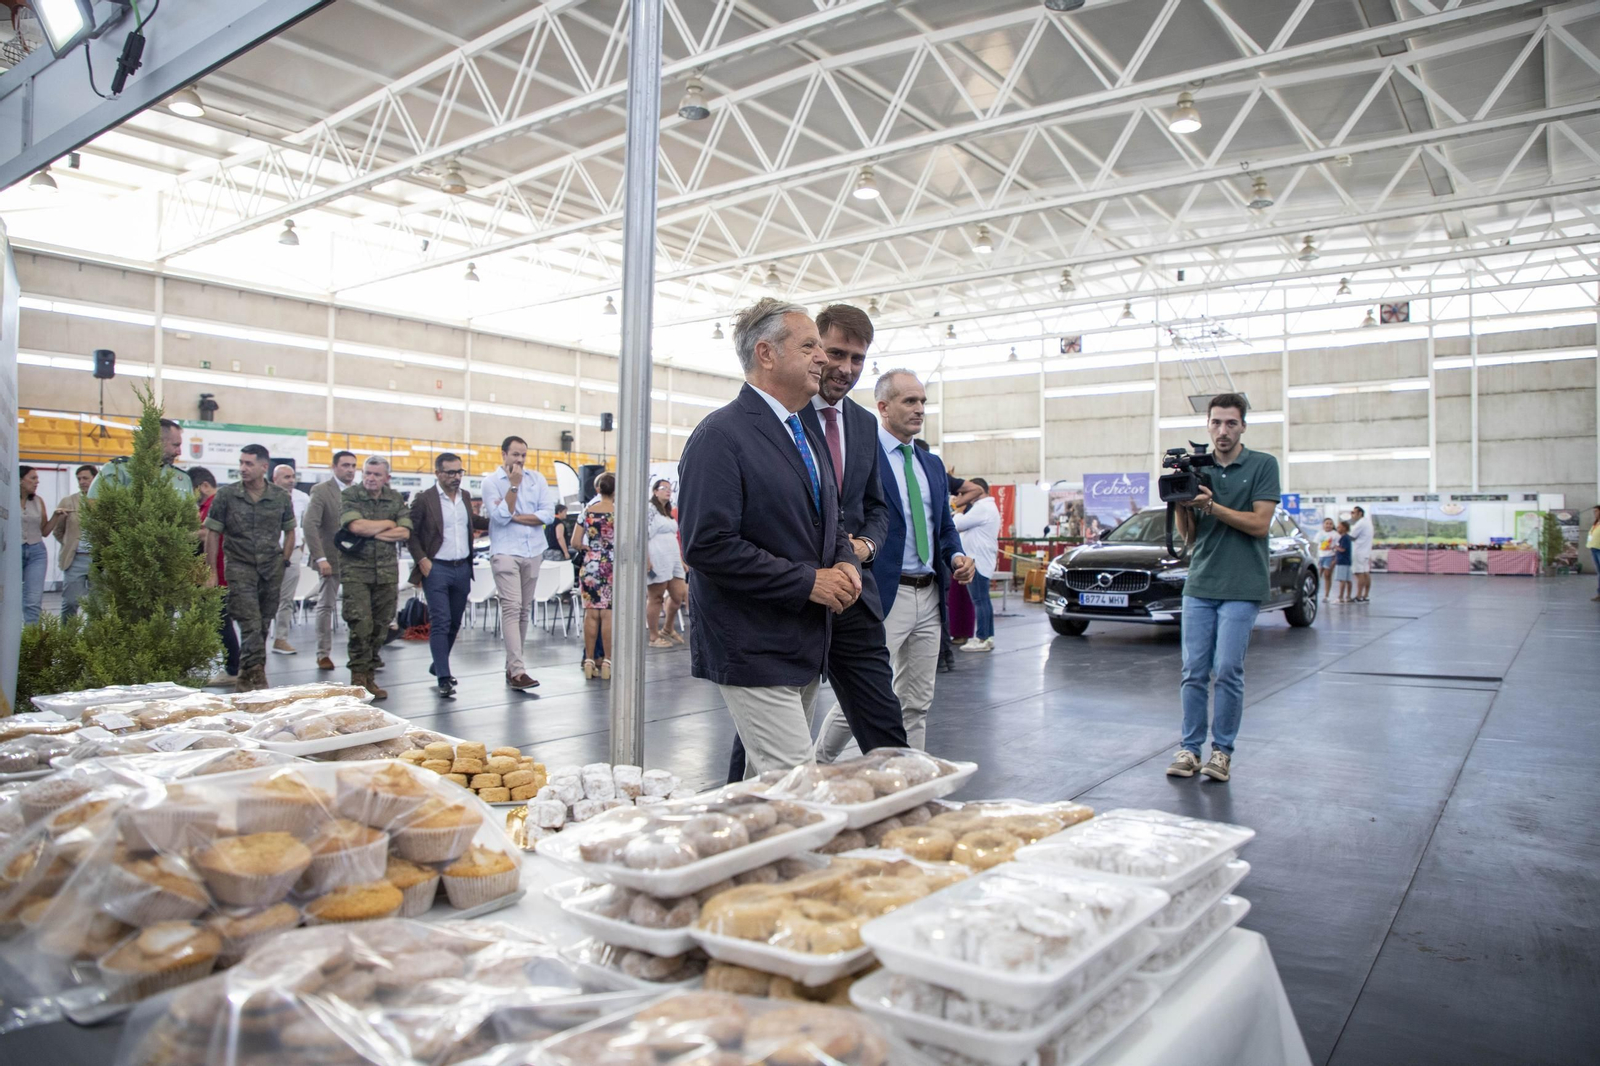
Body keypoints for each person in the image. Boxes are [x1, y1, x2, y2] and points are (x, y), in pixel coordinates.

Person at [724, 303, 908, 781]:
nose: (843, 368)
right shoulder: (777, 418)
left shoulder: (865, 424)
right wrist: (805, 578)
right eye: (831, 351)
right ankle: (738, 824)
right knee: (770, 739)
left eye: (858, 359)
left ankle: (910, 813)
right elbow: (714, 540)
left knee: (884, 723)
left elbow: (878, 506)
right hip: (787, 601)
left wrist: (862, 549)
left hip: (850, 593)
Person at [680, 297, 861, 776]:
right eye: (809, 346)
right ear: (766, 354)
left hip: (802, 640)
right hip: (752, 642)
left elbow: (830, 518)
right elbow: (707, 544)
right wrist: (809, 582)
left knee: (768, 787)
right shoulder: (720, 435)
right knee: (795, 781)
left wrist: (844, 561)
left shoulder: (803, 431)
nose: (823, 358)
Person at [816, 369, 972, 760]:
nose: (920, 409)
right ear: (883, 407)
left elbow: (944, 525)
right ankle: (818, 760)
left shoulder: (931, 464)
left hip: (929, 592)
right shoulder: (861, 457)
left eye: (922, 402)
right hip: (883, 592)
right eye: (909, 401)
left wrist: (954, 555)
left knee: (917, 701)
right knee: (864, 696)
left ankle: (907, 782)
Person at [1165, 392, 1281, 784]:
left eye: (1231, 423)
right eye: (1216, 422)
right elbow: (1190, 536)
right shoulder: (1199, 468)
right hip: (1200, 582)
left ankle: (1222, 752)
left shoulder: (1263, 465)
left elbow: (1259, 524)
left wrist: (1213, 506)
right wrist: (1185, 504)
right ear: (1208, 425)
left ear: (1243, 425)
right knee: (1194, 670)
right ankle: (1189, 748)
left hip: (1243, 583)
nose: (1222, 430)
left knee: (1228, 670)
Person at [203, 445, 297, 691]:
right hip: (240, 566)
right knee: (250, 622)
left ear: (263, 467)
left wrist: (284, 560)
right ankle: (251, 676)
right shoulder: (227, 495)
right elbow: (212, 534)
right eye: (241, 463)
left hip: (271, 568)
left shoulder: (279, 496)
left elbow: (290, 531)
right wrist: (211, 571)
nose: (243, 468)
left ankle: (251, 673)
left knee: (264, 623)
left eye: (249, 464)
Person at [409, 452, 489, 698]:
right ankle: (444, 676)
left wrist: (502, 520)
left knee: (455, 622)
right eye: (451, 472)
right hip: (436, 568)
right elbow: (410, 532)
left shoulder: (464, 496)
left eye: (459, 472)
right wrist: (422, 559)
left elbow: (471, 521)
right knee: (441, 621)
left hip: (462, 568)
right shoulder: (424, 499)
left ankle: (438, 662)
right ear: (438, 473)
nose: (456, 477)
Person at [480, 435, 557, 690]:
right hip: (505, 552)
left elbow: (548, 515)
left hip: (533, 550)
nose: (520, 460)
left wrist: (517, 517)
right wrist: (513, 487)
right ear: (503, 455)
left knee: (524, 610)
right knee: (511, 608)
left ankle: (512, 666)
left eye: (523, 455)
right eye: (515, 454)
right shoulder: (491, 482)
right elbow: (500, 518)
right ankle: (517, 670)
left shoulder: (538, 479)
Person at [338, 457, 412, 699]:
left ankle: (370, 676)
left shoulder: (395, 498)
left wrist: (374, 530)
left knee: (381, 627)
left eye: (376, 474)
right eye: (368, 473)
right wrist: (388, 524)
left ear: (386, 478)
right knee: (360, 625)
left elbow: (404, 532)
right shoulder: (351, 495)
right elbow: (355, 527)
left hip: (387, 573)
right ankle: (358, 679)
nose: (371, 478)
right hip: (356, 572)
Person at [301, 450, 359, 671]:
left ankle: (361, 653)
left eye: (353, 466)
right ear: (334, 467)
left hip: (356, 559)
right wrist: (320, 558)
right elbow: (310, 525)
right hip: (330, 558)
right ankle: (322, 653)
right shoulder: (322, 491)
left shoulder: (358, 492)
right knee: (325, 606)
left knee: (358, 607)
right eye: (345, 465)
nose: (350, 470)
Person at [191, 467, 240, 686]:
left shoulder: (215, 504)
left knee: (222, 621)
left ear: (203, 486)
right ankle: (231, 667)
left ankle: (233, 669)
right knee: (218, 621)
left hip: (219, 572)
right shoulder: (203, 506)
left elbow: (207, 533)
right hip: (211, 573)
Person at [576, 471, 618, 679]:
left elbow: (575, 542)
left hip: (590, 564)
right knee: (608, 614)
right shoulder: (619, 512)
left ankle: (589, 660)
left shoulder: (587, 512)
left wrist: (590, 548)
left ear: (598, 489)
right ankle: (608, 662)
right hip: (611, 565)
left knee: (591, 614)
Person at [88, 418, 192, 499]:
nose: (179, 452)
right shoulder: (116, 470)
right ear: (156, 443)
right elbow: (96, 508)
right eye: (175, 445)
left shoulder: (182, 479)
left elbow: (191, 517)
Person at [954, 477, 1001, 652]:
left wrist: (958, 509)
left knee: (980, 601)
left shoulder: (982, 508)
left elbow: (957, 524)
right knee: (983, 601)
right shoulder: (988, 507)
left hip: (977, 561)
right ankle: (987, 636)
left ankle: (982, 638)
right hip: (982, 560)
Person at [268, 462, 310, 656]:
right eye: (286, 477)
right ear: (275, 479)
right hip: (268, 553)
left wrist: (301, 548)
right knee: (265, 597)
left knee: (286, 599)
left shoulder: (303, 498)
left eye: (293, 476)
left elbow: (306, 525)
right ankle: (259, 639)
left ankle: (281, 638)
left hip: (293, 552)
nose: (291, 480)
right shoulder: (265, 496)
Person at [51, 464, 98, 619]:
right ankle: (67, 637)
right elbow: (58, 531)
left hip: (98, 560)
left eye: (86, 478)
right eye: (79, 479)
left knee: (97, 604)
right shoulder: (68, 502)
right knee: (70, 602)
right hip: (75, 559)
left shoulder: (105, 502)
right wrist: (69, 544)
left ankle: (93, 638)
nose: (82, 481)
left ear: (95, 479)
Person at [646, 479, 688, 648]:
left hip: (672, 558)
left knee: (678, 594)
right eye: (664, 488)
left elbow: (673, 537)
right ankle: (653, 636)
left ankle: (668, 628)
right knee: (655, 597)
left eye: (670, 489)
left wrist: (681, 559)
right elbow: (643, 533)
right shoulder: (650, 510)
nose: (668, 491)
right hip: (657, 557)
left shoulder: (667, 511)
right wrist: (646, 559)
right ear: (655, 491)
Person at [18, 466, 50, 625]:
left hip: (36, 551)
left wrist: (57, 516)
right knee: (9, 598)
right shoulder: (5, 499)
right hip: (11, 552)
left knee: (33, 600)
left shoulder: (38, 501)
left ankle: (32, 641)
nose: (37, 482)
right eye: (33, 478)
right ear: (19, 480)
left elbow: (44, 531)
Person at [1349, 505, 1374, 603]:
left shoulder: (1360, 524)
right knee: (1365, 573)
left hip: (1359, 552)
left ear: (1360, 513)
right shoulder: (1368, 522)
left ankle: (1359, 596)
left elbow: (1351, 537)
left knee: (1359, 573)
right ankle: (1366, 595)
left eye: (1354, 512)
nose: (1352, 514)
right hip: (1366, 552)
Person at [1317, 517, 1338, 602]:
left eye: (1330, 524)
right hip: (1320, 556)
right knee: (1318, 575)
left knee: (1327, 575)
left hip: (1330, 556)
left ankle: (1326, 595)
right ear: (1323, 525)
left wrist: (1335, 559)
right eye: (1327, 523)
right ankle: (1315, 592)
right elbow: (1315, 544)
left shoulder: (1335, 535)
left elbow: (1338, 546)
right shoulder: (1319, 534)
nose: (1328, 525)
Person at [1334, 521, 1354, 604]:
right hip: (1347, 561)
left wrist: (1335, 547)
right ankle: (1348, 597)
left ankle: (1340, 597)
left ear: (1344, 528)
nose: (1338, 529)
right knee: (1348, 580)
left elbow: (1343, 549)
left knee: (1342, 580)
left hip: (1342, 561)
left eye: (1339, 527)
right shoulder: (1347, 537)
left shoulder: (1344, 538)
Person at [1588, 505, 1600, 602]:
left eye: (1596, 511)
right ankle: (1599, 594)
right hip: (1594, 548)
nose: (1594, 513)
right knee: (1599, 573)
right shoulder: (1596, 523)